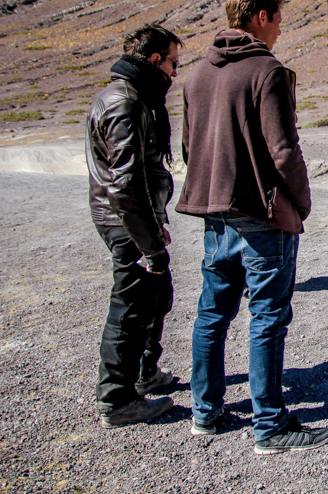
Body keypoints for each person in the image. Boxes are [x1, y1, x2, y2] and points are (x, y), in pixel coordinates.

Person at [175, 0, 328, 454]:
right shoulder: (267, 71)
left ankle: (205, 413)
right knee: (267, 317)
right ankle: (270, 426)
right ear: (260, 17)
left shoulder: (196, 74)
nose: (281, 30)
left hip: (214, 212)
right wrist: (301, 203)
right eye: (279, 20)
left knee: (213, 313)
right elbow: (283, 150)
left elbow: (188, 147)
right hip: (262, 215)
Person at [86, 24, 182, 428]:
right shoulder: (124, 103)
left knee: (155, 296)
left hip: (135, 220)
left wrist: (154, 225)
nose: (176, 73)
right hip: (126, 223)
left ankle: (145, 374)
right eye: (174, 62)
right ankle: (117, 399)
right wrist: (149, 245)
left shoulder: (129, 97)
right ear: (155, 60)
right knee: (128, 307)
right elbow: (124, 184)